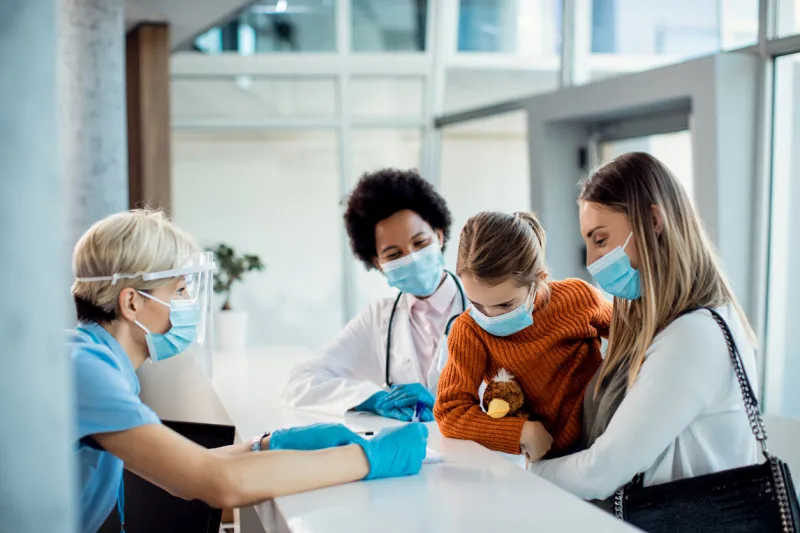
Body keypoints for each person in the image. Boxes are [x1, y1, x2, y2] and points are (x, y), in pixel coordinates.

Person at [71, 209, 428, 533]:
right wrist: (370, 458)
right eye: (179, 290)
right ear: (132, 302)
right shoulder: (89, 375)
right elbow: (218, 483)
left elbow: (183, 467)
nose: (188, 305)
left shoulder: (92, 362)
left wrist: (270, 444)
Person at [527, 152, 760, 501]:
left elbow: (601, 472)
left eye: (600, 239)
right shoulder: (658, 329)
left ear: (653, 220)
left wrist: (524, 469)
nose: (591, 261)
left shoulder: (694, 336)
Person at [283, 169, 467, 421]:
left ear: (439, 235)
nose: (411, 257)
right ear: (378, 263)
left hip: (488, 456)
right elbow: (300, 383)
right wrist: (373, 398)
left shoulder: (487, 306)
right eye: (393, 255)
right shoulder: (378, 319)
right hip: (418, 456)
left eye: (420, 242)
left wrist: (448, 408)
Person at [435, 211, 612, 460]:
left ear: (538, 280)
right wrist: (522, 432)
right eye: (476, 303)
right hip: (548, 455)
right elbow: (450, 412)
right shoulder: (469, 331)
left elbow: (637, 337)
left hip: (605, 433)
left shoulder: (577, 297)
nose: (490, 315)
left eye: (505, 305)